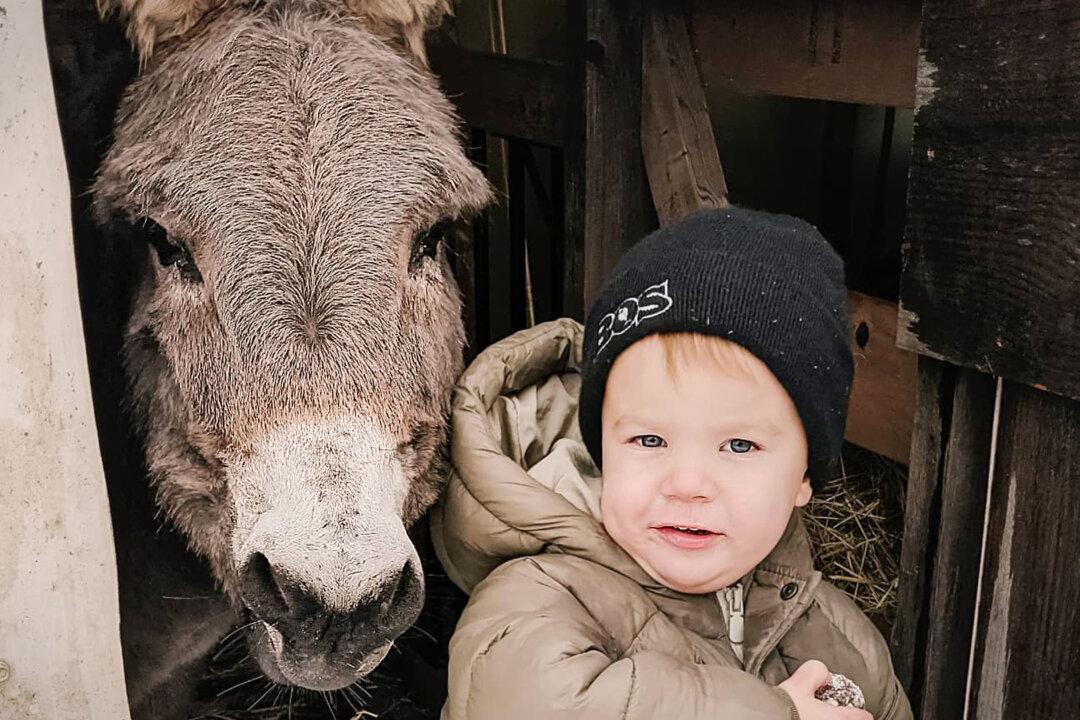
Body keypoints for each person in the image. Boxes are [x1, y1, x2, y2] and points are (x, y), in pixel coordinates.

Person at [431, 207, 914, 720]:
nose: (687, 484)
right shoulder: (536, 594)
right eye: (649, 439)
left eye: (739, 446)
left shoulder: (846, 642)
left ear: (803, 477)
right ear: (603, 452)